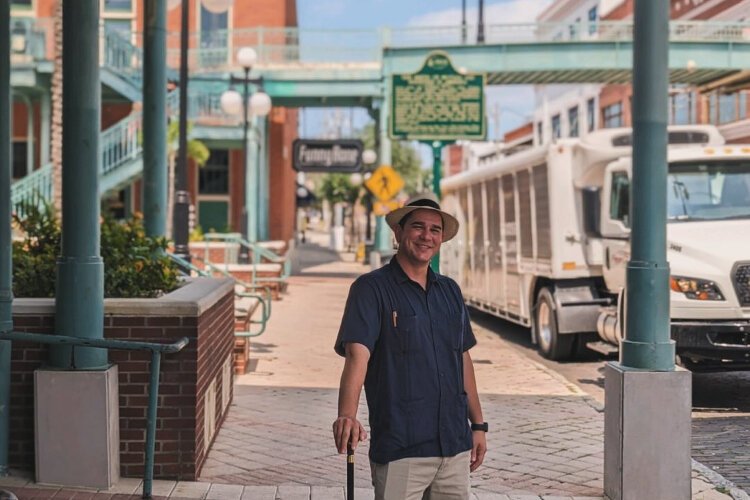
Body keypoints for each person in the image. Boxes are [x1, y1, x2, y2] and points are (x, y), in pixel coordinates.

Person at [332, 193, 487, 500]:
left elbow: (462, 358)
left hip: (454, 445)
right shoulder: (371, 289)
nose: (426, 236)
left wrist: (478, 425)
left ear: (441, 239)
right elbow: (356, 356)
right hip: (402, 446)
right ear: (399, 233)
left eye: (435, 230)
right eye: (418, 227)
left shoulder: (450, 291)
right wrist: (347, 414)